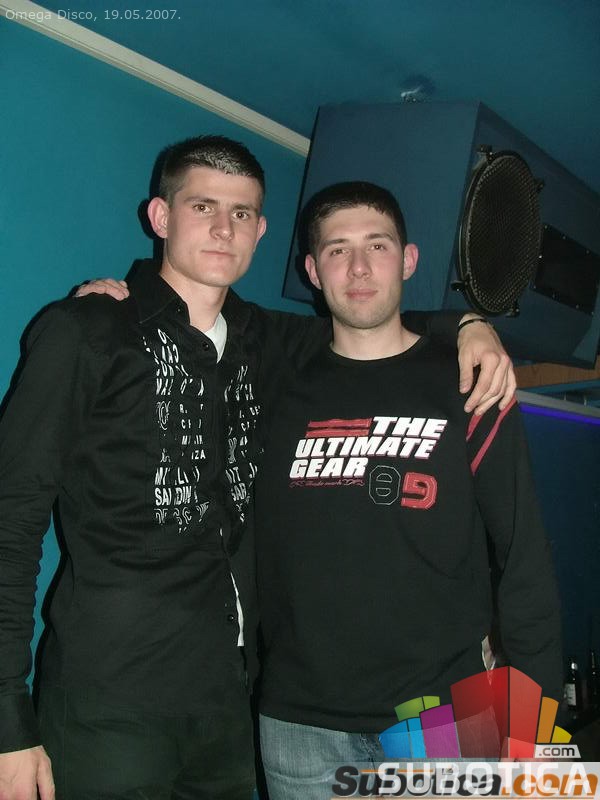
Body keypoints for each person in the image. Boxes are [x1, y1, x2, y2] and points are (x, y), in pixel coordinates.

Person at [0, 137, 514, 800]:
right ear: (160, 216)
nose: (224, 227)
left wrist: (469, 323)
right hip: (111, 704)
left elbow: (370, 316)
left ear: (261, 230)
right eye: (203, 206)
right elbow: (11, 520)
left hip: (230, 703)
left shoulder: (265, 340)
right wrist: (8, 721)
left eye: (241, 213)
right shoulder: (88, 332)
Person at [254, 182, 563, 800]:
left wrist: (535, 738)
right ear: (313, 271)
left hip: (447, 716)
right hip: (300, 724)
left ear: (409, 259)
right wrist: (109, 300)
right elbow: (194, 309)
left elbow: (524, 560)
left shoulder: (470, 382)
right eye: (338, 250)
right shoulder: (276, 381)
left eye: (378, 245)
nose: (359, 267)